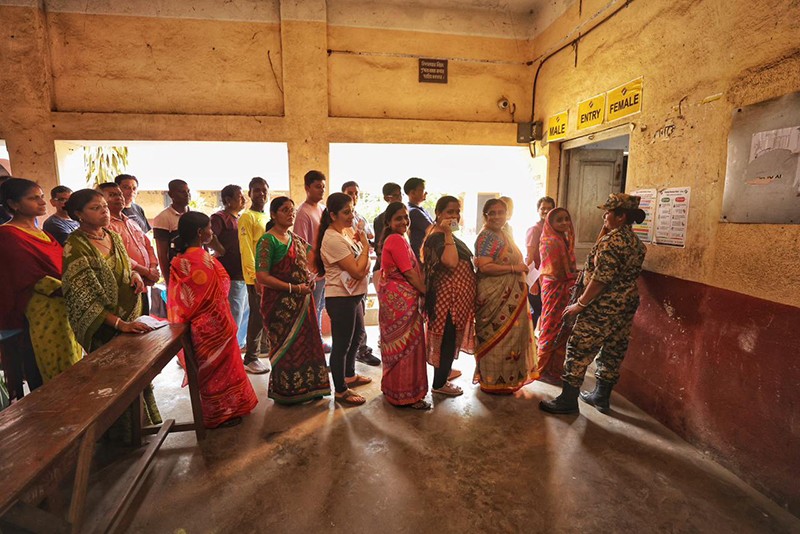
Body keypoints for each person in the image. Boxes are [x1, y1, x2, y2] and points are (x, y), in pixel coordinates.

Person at [62, 189, 161, 440]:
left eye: (104, 206)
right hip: (105, 326)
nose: (104, 211)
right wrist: (120, 324)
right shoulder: (75, 246)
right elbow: (83, 296)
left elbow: (125, 267)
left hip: (130, 315)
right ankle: (119, 434)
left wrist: (136, 276)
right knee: (113, 380)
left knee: (137, 374)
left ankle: (142, 423)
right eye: (95, 208)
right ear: (78, 214)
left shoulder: (112, 235)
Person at [540, 193, 647, 415]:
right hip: (625, 305)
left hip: (602, 306)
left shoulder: (611, 242)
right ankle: (601, 396)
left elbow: (601, 278)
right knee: (613, 349)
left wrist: (580, 304)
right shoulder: (636, 243)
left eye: (608, 213)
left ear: (620, 216)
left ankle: (568, 400)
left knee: (579, 348)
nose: (604, 217)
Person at [168, 212, 259, 428]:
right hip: (215, 324)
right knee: (220, 370)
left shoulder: (181, 260)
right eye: (209, 228)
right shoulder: (201, 259)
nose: (212, 231)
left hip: (203, 326)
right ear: (200, 233)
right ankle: (220, 414)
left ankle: (226, 410)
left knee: (212, 370)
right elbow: (221, 286)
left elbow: (180, 298)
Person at [0, 179, 81, 400]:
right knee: (53, 370)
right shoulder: (7, 234)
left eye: (42, 196)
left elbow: (61, 264)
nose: (42, 202)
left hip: (64, 309)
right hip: (39, 311)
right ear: (13, 204)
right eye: (33, 198)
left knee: (74, 363)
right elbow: (26, 276)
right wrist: (70, 289)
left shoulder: (41, 231)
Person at [255, 197, 331, 404]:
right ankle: (287, 393)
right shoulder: (267, 241)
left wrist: (309, 278)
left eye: (292, 210)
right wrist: (294, 288)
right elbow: (262, 276)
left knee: (308, 343)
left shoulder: (294, 238)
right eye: (284, 210)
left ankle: (311, 387)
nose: (291, 213)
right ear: (273, 214)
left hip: (302, 303)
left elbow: (308, 263)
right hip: (279, 306)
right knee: (285, 347)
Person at [473, 198, 538, 394]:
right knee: (494, 337)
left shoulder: (504, 233)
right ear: (485, 216)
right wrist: (514, 267)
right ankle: (492, 381)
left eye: (501, 212)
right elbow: (484, 266)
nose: (497, 216)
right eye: (492, 213)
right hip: (493, 295)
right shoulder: (486, 237)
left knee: (512, 337)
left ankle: (507, 378)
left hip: (512, 295)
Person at [317, 193, 372, 406]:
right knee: (341, 345)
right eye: (346, 212)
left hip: (353, 295)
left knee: (357, 335)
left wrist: (362, 249)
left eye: (352, 211)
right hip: (340, 298)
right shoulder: (332, 239)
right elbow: (358, 270)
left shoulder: (345, 233)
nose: (351, 216)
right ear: (333, 215)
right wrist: (366, 247)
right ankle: (340, 390)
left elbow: (358, 262)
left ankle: (349, 375)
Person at [421, 196, 476, 397]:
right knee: (446, 340)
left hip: (455, 302)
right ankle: (439, 383)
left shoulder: (444, 236)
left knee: (449, 339)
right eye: (449, 212)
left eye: (457, 212)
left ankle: (443, 376)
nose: (454, 216)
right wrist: (447, 233)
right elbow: (451, 263)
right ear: (438, 214)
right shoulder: (439, 236)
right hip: (448, 301)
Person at [377, 202, 429, 409]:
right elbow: (408, 272)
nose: (404, 221)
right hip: (401, 301)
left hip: (397, 298)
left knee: (402, 345)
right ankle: (405, 396)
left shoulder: (400, 238)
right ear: (389, 222)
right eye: (398, 218)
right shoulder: (396, 239)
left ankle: (394, 390)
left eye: (406, 217)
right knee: (407, 347)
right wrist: (426, 291)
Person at [100, 183, 160, 315]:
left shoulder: (131, 222)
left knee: (145, 323)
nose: (119, 198)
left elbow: (148, 246)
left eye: (119, 194)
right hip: (127, 286)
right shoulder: (105, 227)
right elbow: (117, 256)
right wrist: (146, 271)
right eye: (112, 195)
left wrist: (153, 268)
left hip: (144, 284)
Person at [536, 207, 577, 384]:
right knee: (551, 326)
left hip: (564, 287)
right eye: (558, 220)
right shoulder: (550, 241)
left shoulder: (564, 239)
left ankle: (555, 368)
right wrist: (576, 278)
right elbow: (557, 271)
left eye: (566, 219)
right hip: (554, 287)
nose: (564, 223)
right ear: (550, 223)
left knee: (562, 326)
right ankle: (542, 367)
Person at [342, 180, 379, 366]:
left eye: (356, 193)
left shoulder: (359, 216)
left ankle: (359, 350)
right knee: (349, 318)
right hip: (348, 274)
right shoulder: (340, 221)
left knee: (360, 312)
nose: (353, 196)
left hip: (362, 271)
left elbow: (370, 236)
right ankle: (351, 354)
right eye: (349, 192)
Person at [293, 170, 330, 352]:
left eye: (323, 187)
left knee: (320, 307)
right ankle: (310, 345)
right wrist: (306, 272)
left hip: (323, 269)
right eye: (317, 187)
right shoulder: (303, 213)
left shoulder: (323, 209)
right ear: (307, 188)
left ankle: (318, 340)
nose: (321, 190)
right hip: (312, 272)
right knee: (312, 309)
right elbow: (300, 245)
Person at [238, 177, 271, 374]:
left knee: (266, 315)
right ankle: (251, 358)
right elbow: (247, 249)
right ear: (249, 194)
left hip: (270, 277)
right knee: (257, 317)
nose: (261, 194)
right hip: (257, 278)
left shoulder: (266, 217)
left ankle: (263, 351)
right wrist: (255, 276)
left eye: (264, 190)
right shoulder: (247, 217)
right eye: (256, 190)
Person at [211, 185, 249, 349]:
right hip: (230, 274)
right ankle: (229, 348)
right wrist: (221, 249)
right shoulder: (220, 218)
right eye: (239, 197)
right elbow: (209, 236)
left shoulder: (240, 219)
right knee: (234, 312)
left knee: (243, 312)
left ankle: (238, 345)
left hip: (244, 273)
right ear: (228, 200)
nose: (243, 200)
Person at [525, 196, 555, 329]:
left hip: (549, 279)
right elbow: (529, 258)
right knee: (536, 311)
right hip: (537, 279)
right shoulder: (534, 230)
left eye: (549, 208)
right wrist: (533, 282)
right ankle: (529, 343)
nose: (546, 211)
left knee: (545, 312)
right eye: (543, 208)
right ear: (538, 210)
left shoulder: (554, 230)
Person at [153, 179, 190, 284]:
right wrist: (169, 281)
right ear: (171, 194)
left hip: (196, 271)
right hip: (177, 273)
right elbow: (162, 254)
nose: (187, 195)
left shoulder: (194, 216)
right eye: (182, 192)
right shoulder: (163, 218)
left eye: (188, 191)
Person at [372, 182, 403, 289]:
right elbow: (379, 247)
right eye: (395, 195)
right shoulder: (381, 219)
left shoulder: (406, 217)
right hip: (386, 272)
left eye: (400, 195)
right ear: (386, 198)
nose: (399, 198)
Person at [404, 177, 433, 261]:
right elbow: (432, 230)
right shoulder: (414, 212)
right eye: (422, 190)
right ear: (412, 193)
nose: (426, 193)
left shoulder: (422, 210)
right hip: (420, 256)